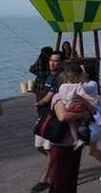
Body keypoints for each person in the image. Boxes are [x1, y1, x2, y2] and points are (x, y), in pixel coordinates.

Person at [49, 73, 97, 193]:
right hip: (61, 144)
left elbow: (94, 111)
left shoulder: (77, 96)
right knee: (59, 180)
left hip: (76, 145)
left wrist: (84, 102)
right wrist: (81, 115)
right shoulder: (58, 97)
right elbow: (63, 117)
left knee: (71, 178)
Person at [32, 51, 62, 193]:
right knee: (39, 146)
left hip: (51, 116)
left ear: (61, 63)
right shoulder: (51, 76)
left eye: (55, 61)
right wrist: (34, 92)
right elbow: (45, 95)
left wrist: (38, 102)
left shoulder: (59, 78)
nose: (52, 63)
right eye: (51, 60)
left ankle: (44, 179)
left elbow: (48, 98)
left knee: (49, 149)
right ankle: (57, 161)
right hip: (44, 113)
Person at [80, 64, 101, 182]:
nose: (79, 73)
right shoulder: (80, 84)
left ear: (87, 74)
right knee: (87, 148)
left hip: (92, 116)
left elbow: (79, 92)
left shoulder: (91, 84)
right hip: (85, 118)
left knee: (91, 150)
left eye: (81, 70)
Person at [57, 65, 100, 151]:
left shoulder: (62, 86)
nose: (81, 79)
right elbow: (83, 95)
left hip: (68, 108)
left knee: (71, 124)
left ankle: (76, 140)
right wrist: (93, 99)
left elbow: (61, 97)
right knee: (83, 112)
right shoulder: (77, 86)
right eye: (80, 77)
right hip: (76, 106)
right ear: (76, 79)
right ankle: (83, 127)